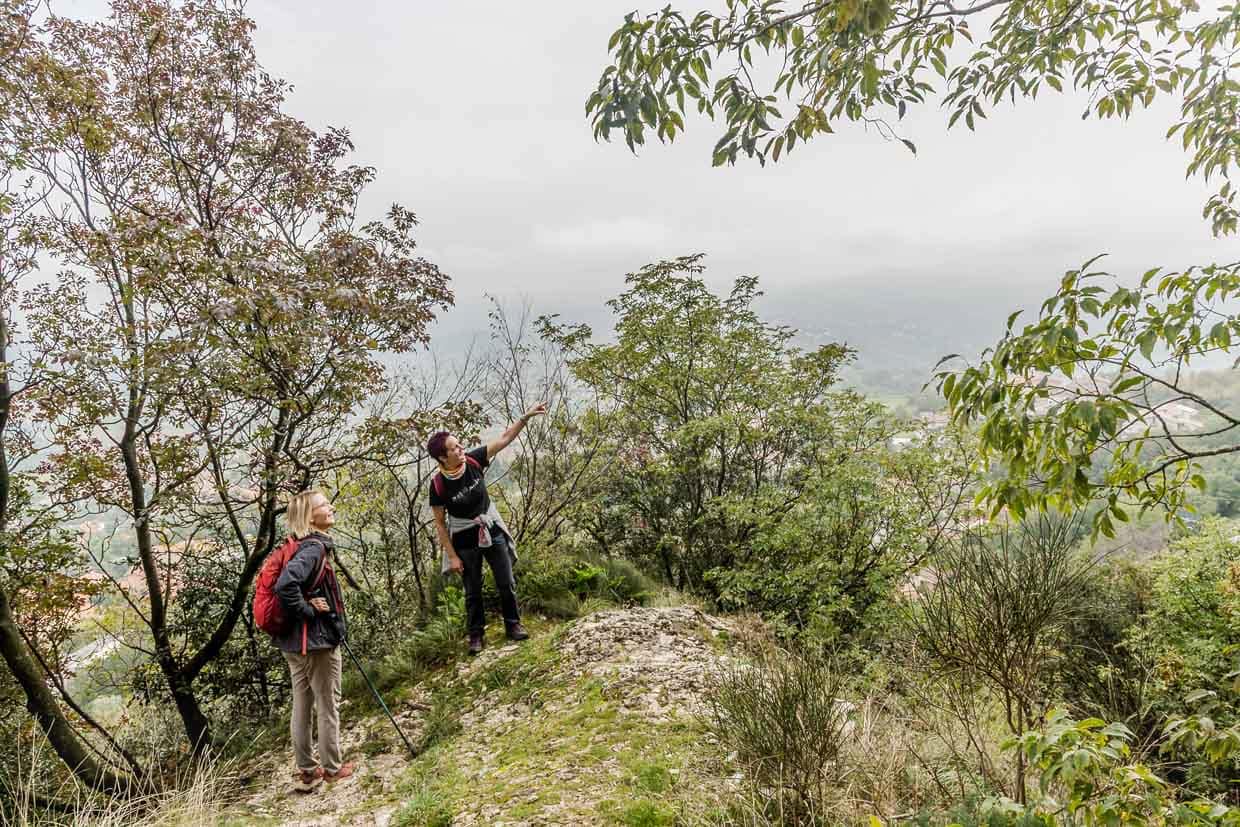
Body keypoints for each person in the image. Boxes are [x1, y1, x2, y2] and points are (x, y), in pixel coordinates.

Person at [428, 403, 547, 655]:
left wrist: (525, 417)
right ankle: (476, 636)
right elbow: (440, 523)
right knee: (472, 590)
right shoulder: (438, 485)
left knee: (506, 580)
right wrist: (452, 556)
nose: (460, 449)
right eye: (454, 448)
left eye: (460, 445)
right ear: (442, 457)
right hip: (463, 538)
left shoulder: (472, 460)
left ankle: (513, 625)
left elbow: (504, 438)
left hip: (490, 529)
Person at [275, 489, 355, 792]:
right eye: (324, 505)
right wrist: (310, 610)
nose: (330, 506)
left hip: (293, 643)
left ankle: (307, 769)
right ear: (310, 516)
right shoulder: (313, 549)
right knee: (327, 702)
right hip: (316, 643)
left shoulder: (297, 547)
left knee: (302, 703)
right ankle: (333, 768)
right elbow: (286, 585)